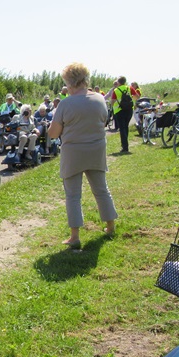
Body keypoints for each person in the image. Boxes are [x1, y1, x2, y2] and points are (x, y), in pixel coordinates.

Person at [48, 62, 118, 248]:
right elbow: (103, 122)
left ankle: (75, 236)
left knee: (73, 195)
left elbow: (53, 133)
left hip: (73, 153)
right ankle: (110, 226)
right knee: (101, 189)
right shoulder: (100, 99)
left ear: (70, 83)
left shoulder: (65, 103)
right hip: (96, 149)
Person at [111, 76, 133, 153]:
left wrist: (112, 106)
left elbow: (113, 101)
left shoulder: (116, 90)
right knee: (126, 127)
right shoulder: (129, 88)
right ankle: (125, 144)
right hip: (129, 110)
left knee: (122, 128)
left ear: (119, 82)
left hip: (119, 110)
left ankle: (125, 147)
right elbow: (137, 96)